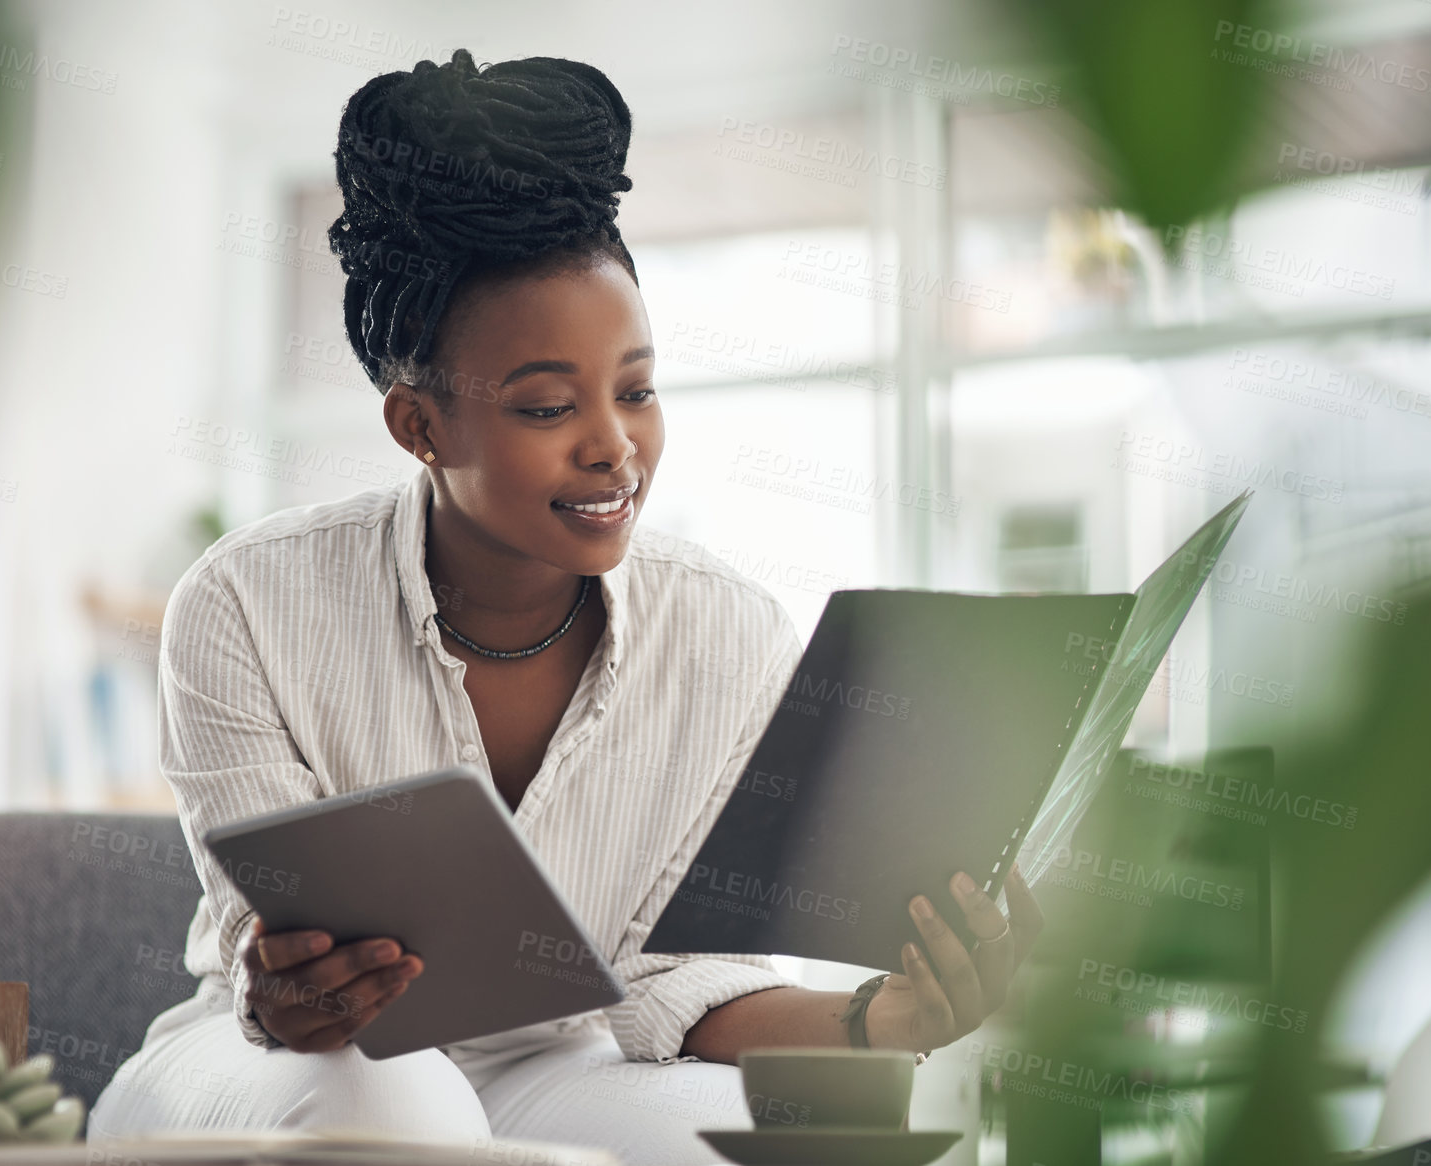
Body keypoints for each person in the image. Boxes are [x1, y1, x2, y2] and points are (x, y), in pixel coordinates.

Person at [88, 47, 1043, 1166]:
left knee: (796, 1135)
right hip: (278, 1067)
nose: (614, 445)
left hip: (558, 1067)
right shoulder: (246, 601)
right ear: (420, 426)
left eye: (635, 388)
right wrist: (292, 985)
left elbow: (672, 981)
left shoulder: (727, 634)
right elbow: (268, 948)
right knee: (405, 1111)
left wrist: (881, 1020)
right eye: (548, 405)